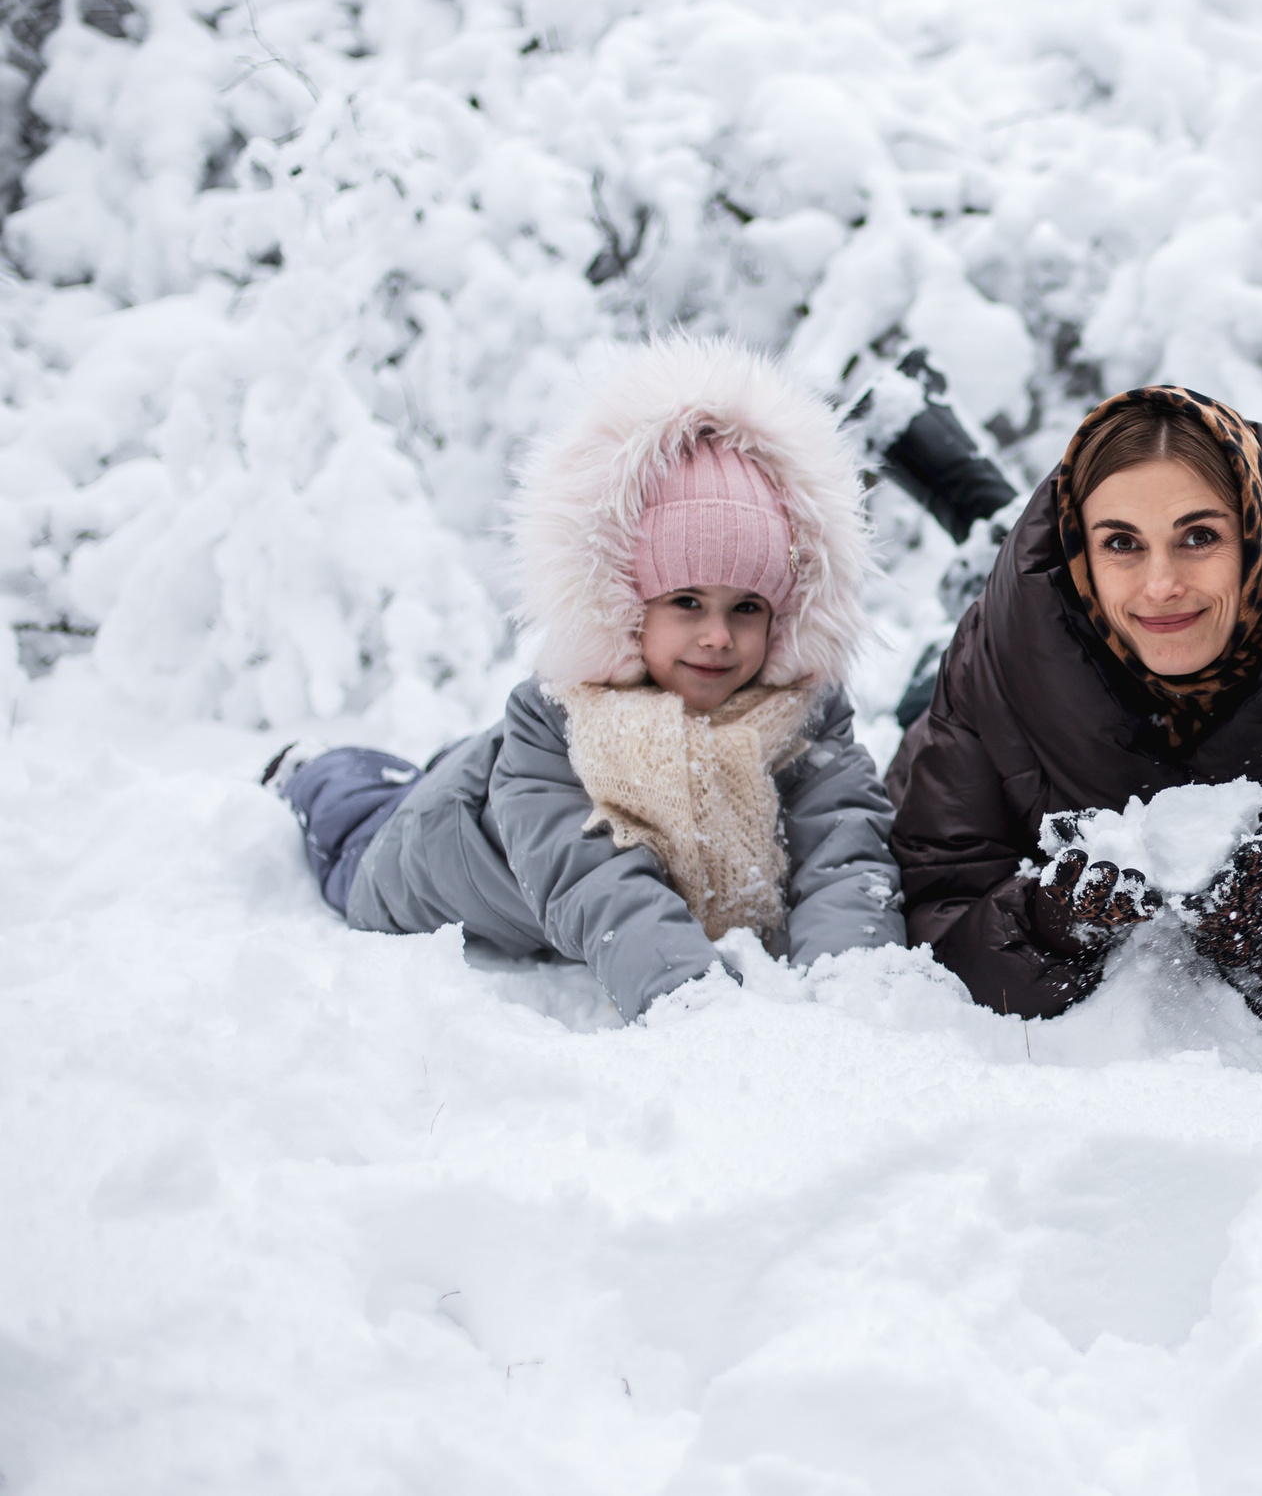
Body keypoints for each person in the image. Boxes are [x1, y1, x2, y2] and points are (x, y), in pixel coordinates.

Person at [270, 335, 902, 1021]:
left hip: (488, 779)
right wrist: (689, 996)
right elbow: (594, 877)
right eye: (686, 601)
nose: (717, 635)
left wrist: (853, 980)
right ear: (629, 605)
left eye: (746, 607)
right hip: (427, 845)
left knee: (453, 762)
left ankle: (424, 764)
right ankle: (307, 768)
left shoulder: (799, 716)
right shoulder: (562, 723)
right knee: (357, 814)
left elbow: (844, 843)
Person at [888, 385, 1262, 1022]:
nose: (1162, 584)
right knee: (928, 681)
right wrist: (1047, 918)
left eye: (1198, 537)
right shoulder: (990, 659)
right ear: (1078, 551)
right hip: (967, 696)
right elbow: (937, 927)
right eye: (1119, 542)